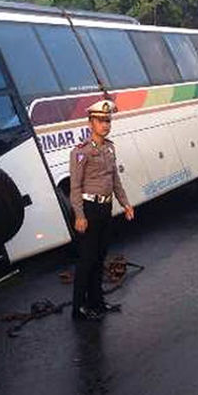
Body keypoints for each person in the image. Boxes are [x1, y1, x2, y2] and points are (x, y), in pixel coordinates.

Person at [69, 99, 135, 321]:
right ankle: (78, 308)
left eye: (108, 121)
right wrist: (79, 215)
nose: (105, 125)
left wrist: (125, 203)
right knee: (86, 260)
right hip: (89, 209)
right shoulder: (81, 152)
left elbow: (115, 179)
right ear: (90, 123)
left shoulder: (109, 147)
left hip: (105, 208)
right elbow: (75, 187)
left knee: (99, 257)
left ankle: (97, 302)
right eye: (100, 121)